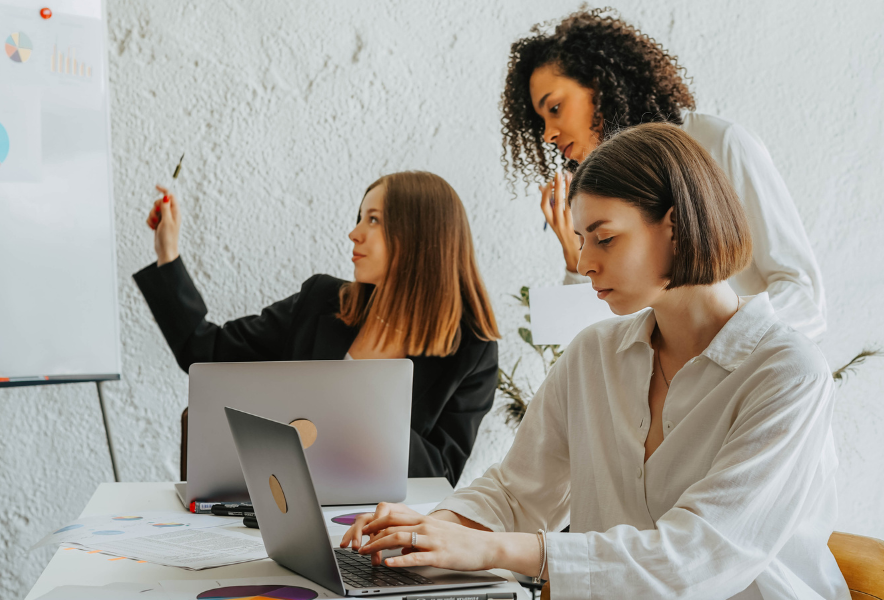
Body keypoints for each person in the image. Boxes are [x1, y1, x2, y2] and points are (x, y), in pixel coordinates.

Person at [342, 124, 848, 600]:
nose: (584, 263)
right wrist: (431, 529)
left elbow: (699, 557)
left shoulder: (787, 374)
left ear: (675, 225)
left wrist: (493, 549)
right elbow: (518, 493)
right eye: (581, 241)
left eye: (603, 238)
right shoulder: (593, 355)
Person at [133, 171, 500, 485]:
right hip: (284, 503)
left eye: (373, 220)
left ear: (421, 236)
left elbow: (441, 476)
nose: (354, 233)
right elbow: (204, 352)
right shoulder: (321, 301)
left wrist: (361, 406)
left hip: (375, 528)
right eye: (360, 217)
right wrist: (168, 254)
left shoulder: (472, 350)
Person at [502, 9, 827, 339]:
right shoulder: (600, 194)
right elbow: (590, 342)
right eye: (540, 121)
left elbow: (803, 295)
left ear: (600, 86)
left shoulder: (719, 144)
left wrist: (721, 349)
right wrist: (576, 257)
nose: (547, 135)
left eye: (555, 108)